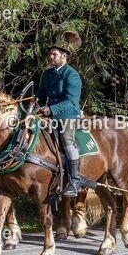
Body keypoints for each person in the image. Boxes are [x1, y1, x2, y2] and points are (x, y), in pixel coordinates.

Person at [36, 31, 83, 197]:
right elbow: (40, 96)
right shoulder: (47, 74)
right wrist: (34, 106)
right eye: (50, 54)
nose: (51, 57)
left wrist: (51, 109)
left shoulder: (72, 75)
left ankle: (75, 181)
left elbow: (71, 101)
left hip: (68, 115)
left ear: (64, 56)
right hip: (49, 115)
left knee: (67, 140)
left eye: (54, 54)